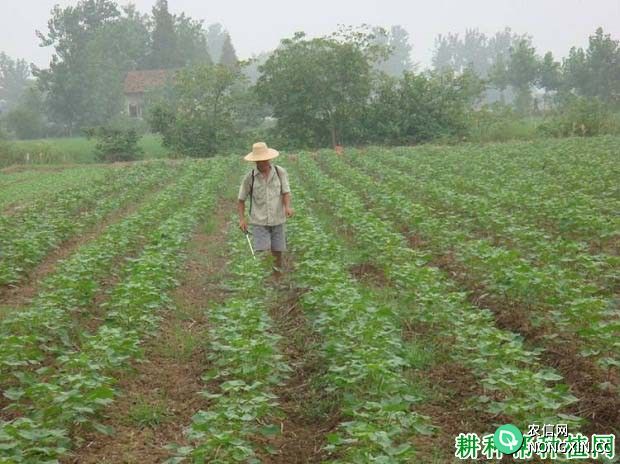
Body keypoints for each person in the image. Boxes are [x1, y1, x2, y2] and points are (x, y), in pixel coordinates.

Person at [238, 142, 293, 274]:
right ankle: (264, 280)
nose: (261, 163)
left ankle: (277, 277)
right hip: (259, 221)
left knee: (278, 251)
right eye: (258, 161)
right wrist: (242, 219)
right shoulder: (249, 178)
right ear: (255, 161)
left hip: (278, 218)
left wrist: (287, 207)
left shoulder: (280, 173)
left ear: (269, 158)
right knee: (262, 252)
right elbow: (240, 200)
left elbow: (286, 192)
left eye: (263, 160)